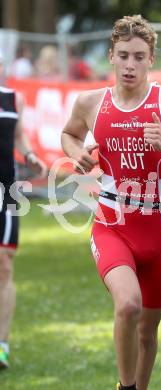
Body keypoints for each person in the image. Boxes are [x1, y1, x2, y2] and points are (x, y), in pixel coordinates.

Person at [61, 15, 161, 390]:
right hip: (112, 226)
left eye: (139, 56)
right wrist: (78, 155)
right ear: (110, 55)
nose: (130, 64)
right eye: (123, 55)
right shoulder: (91, 102)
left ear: (151, 59)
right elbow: (68, 134)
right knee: (127, 305)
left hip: (158, 232)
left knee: (147, 333)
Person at [0, 52, 47, 369]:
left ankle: (1, 345)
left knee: (4, 264)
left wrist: (29, 154)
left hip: (5, 192)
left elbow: (18, 136)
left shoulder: (13, 99)